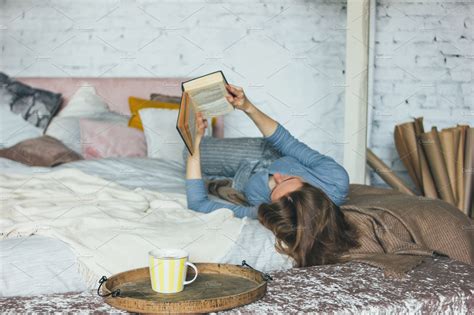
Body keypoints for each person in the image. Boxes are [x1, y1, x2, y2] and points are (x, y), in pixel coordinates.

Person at [185, 83, 358, 267]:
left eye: (273, 189)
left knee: (192, 148)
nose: (277, 176)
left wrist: (194, 145)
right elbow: (286, 142)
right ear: (310, 187)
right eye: (289, 178)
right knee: (189, 151)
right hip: (264, 153)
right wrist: (247, 106)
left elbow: (199, 204)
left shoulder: (267, 212)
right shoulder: (334, 179)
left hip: (243, 178)